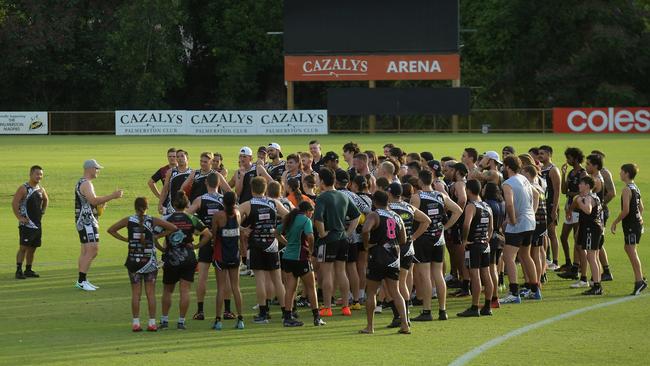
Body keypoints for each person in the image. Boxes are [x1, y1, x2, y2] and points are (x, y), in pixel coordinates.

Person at [107, 197, 177, 332]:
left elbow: (111, 230)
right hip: (149, 262)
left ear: (135, 207)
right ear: (147, 207)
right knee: (150, 294)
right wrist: (158, 236)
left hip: (133, 261)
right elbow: (173, 228)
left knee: (135, 294)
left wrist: (126, 239)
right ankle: (152, 323)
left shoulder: (129, 220)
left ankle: (136, 323)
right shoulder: (153, 220)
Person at [410, 170, 462, 321]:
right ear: (432, 180)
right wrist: (445, 227)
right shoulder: (441, 196)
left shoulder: (416, 197)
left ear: (420, 181)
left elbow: (413, 217)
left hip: (423, 239)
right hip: (439, 239)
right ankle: (442, 310)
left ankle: (426, 311)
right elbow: (458, 211)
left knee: (425, 275)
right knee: (438, 275)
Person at [159, 191, 212, 330]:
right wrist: (196, 246)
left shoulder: (166, 218)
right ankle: (181, 322)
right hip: (188, 257)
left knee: (167, 290)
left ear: (173, 204)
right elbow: (208, 234)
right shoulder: (192, 218)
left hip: (171, 257)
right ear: (187, 203)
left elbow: (154, 235)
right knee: (185, 291)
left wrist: (162, 249)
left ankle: (164, 320)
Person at [239, 177, 290, 323]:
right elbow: (288, 216)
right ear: (265, 188)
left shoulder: (247, 205)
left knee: (260, 280)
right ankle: (285, 313)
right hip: (272, 244)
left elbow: (233, 219)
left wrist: (243, 229)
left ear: (251, 188)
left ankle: (263, 313)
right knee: (277, 280)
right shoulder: (274, 202)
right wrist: (278, 230)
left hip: (255, 244)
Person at [359, 191, 410, 335]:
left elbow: (365, 230)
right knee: (396, 291)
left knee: (372, 292)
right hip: (393, 256)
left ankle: (370, 326)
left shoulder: (374, 214)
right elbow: (404, 239)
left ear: (374, 202)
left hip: (377, 255)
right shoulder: (397, 216)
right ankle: (405, 324)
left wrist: (367, 244)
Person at [313, 167, 361, 317]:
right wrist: (347, 232)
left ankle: (327, 307)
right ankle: (346, 306)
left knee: (327, 273)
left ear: (322, 181)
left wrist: (321, 234)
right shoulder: (343, 196)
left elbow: (318, 219)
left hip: (328, 240)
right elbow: (356, 216)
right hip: (342, 239)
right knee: (341, 272)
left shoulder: (322, 197)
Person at [186, 173, 233, 321]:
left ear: (206, 183)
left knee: (202, 277)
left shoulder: (200, 199)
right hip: (222, 241)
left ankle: (200, 311)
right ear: (219, 184)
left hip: (205, 239)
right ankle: (227, 310)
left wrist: (196, 228)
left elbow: (187, 215)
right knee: (225, 278)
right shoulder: (225, 201)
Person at [275, 201, 326, 327]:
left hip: (287, 257)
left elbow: (276, 232)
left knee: (290, 289)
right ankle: (316, 317)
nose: (311, 215)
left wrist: (286, 243)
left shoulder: (290, 218)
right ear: (308, 211)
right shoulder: (306, 220)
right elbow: (310, 236)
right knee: (311, 287)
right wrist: (311, 250)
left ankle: (287, 317)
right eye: (311, 213)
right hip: (301, 258)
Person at [387, 182, 431, 327]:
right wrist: (414, 236)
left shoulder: (388, 208)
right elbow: (426, 220)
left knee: (390, 285)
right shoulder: (409, 207)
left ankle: (398, 316)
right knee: (402, 282)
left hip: (393, 249)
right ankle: (406, 316)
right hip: (408, 249)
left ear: (390, 193)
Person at [75, 159, 123, 291]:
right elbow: (93, 200)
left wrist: (100, 205)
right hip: (86, 222)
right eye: (96, 169)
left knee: (85, 251)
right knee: (93, 250)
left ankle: (82, 280)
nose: (98, 171)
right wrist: (112, 196)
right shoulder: (86, 184)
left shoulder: (84, 183)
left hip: (85, 220)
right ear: (89, 169)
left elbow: (91, 202)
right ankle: (81, 280)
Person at [499, 156, 541, 304]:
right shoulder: (523, 178)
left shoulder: (508, 183)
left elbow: (509, 204)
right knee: (525, 255)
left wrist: (512, 219)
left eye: (504, 166)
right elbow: (537, 195)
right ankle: (535, 290)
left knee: (508, 257)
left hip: (519, 224)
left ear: (508, 167)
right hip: (530, 222)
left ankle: (514, 293)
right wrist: (532, 212)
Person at [458, 179, 494, 317]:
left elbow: (467, 224)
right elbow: (491, 227)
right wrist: (487, 239)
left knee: (475, 275)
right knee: (486, 273)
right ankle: (487, 306)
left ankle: (474, 307)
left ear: (468, 190)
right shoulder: (486, 206)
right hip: (485, 245)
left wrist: (465, 240)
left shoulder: (471, 206)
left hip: (474, 245)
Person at [611, 163, 647, 295]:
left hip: (631, 225)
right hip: (635, 224)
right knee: (629, 248)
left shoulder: (627, 190)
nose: (619, 173)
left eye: (621, 172)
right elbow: (641, 207)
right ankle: (640, 278)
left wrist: (615, 222)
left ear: (626, 173)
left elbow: (625, 210)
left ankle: (639, 281)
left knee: (631, 250)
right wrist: (639, 218)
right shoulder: (635, 187)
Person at [336, 170, 371, 310]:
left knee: (339, 269)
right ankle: (356, 299)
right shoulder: (353, 195)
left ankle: (346, 298)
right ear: (348, 183)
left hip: (338, 235)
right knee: (352, 267)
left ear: (335, 182)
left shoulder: (333, 195)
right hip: (354, 236)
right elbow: (367, 210)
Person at [212, 191, 245, 330]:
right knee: (235, 287)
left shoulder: (218, 216)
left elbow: (214, 235)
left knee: (221, 288)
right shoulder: (237, 214)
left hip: (221, 255)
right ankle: (241, 319)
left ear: (223, 202)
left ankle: (218, 321)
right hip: (234, 254)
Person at [13, 165, 48, 279]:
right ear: (31, 174)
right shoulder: (24, 188)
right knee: (23, 248)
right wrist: (19, 218)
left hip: (37, 225)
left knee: (32, 249)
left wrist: (42, 211)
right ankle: (19, 270)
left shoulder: (41, 189)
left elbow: (46, 200)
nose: (39, 176)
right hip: (26, 225)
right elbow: (14, 203)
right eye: (37, 174)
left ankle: (28, 269)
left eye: (41, 174)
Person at [571, 176, 603, 295]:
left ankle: (597, 286)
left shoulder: (588, 197)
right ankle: (597, 283)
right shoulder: (595, 196)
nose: (579, 185)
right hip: (595, 228)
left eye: (581, 184)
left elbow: (588, 210)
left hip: (591, 229)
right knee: (594, 257)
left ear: (587, 186)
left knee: (591, 257)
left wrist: (579, 201)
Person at [558, 147, 586, 278]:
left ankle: (577, 267)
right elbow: (563, 191)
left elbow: (583, 193)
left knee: (577, 239)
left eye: (569, 158)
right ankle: (569, 262)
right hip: (570, 208)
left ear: (575, 158)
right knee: (563, 237)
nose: (567, 160)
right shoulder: (570, 173)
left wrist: (571, 193)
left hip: (578, 210)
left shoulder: (582, 173)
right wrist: (563, 174)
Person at [591, 150, 616, 281]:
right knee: (596, 243)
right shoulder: (594, 174)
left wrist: (599, 204)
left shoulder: (604, 173)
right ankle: (602, 271)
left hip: (600, 212)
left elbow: (612, 193)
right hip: (596, 211)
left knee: (598, 242)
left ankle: (605, 271)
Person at [538, 145, 561, 271]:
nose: (540, 156)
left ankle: (555, 261)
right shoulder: (540, 169)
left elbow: (557, 191)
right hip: (542, 205)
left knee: (552, 233)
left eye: (542, 153)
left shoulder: (553, 170)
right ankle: (547, 258)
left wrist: (554, 209)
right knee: (543, 232)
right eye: (539, 153)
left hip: (551, 205)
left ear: (549, 155)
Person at [484, 182, 505, 308]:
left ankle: (494, 297)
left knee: (491, 268)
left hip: (491, 237)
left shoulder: (488, 204)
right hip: (500, 236)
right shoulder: (501, 203)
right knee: (495, 267)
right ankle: (494, 297)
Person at [158, 150, 192, 215]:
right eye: (178, 157)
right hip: (172, 207)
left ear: (187, 158)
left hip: (188, 208)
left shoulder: (192, 173)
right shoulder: (171, 172)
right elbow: (165, 190)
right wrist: (160, 204)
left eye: (182, 156)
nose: (180, 158)